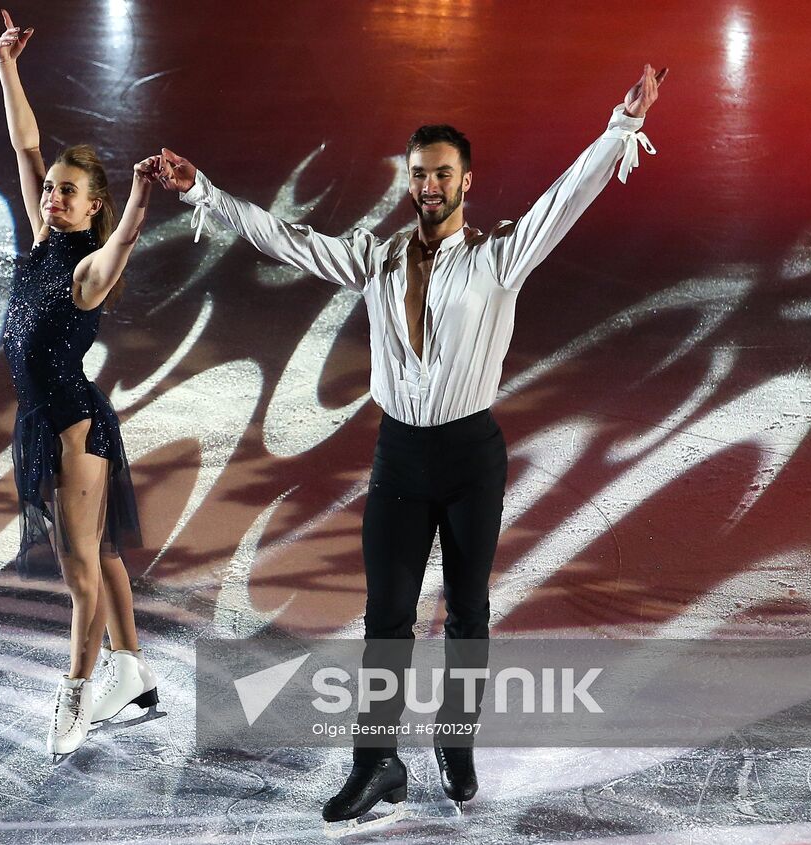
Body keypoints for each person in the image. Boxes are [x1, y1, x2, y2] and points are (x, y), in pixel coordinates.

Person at [156, 65, 667, 826]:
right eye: (420, 174)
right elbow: (287, 240)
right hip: (399, 458)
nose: (430, 186)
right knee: (386, 617)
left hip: (470, 458)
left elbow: (568, 197)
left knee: (467, 612)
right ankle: (376, 763)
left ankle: (454, 742)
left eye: (443, 175)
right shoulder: (377, 259)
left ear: (467, 181)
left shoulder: (501, 257)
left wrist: (621, 124)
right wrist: (205, 193)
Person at [0, 10, 163, 759]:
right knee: (103, 555)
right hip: (44, 422)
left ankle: (77, 693)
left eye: (67, 192)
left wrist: (134, 197)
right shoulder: (40, 239)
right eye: (51, 189)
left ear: (90, 206)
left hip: (72, 428)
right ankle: (132, 669)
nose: (51, 196)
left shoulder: (87, 272)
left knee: (79, 569)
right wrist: (7, 64)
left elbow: (124, 240)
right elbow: (25, 144)